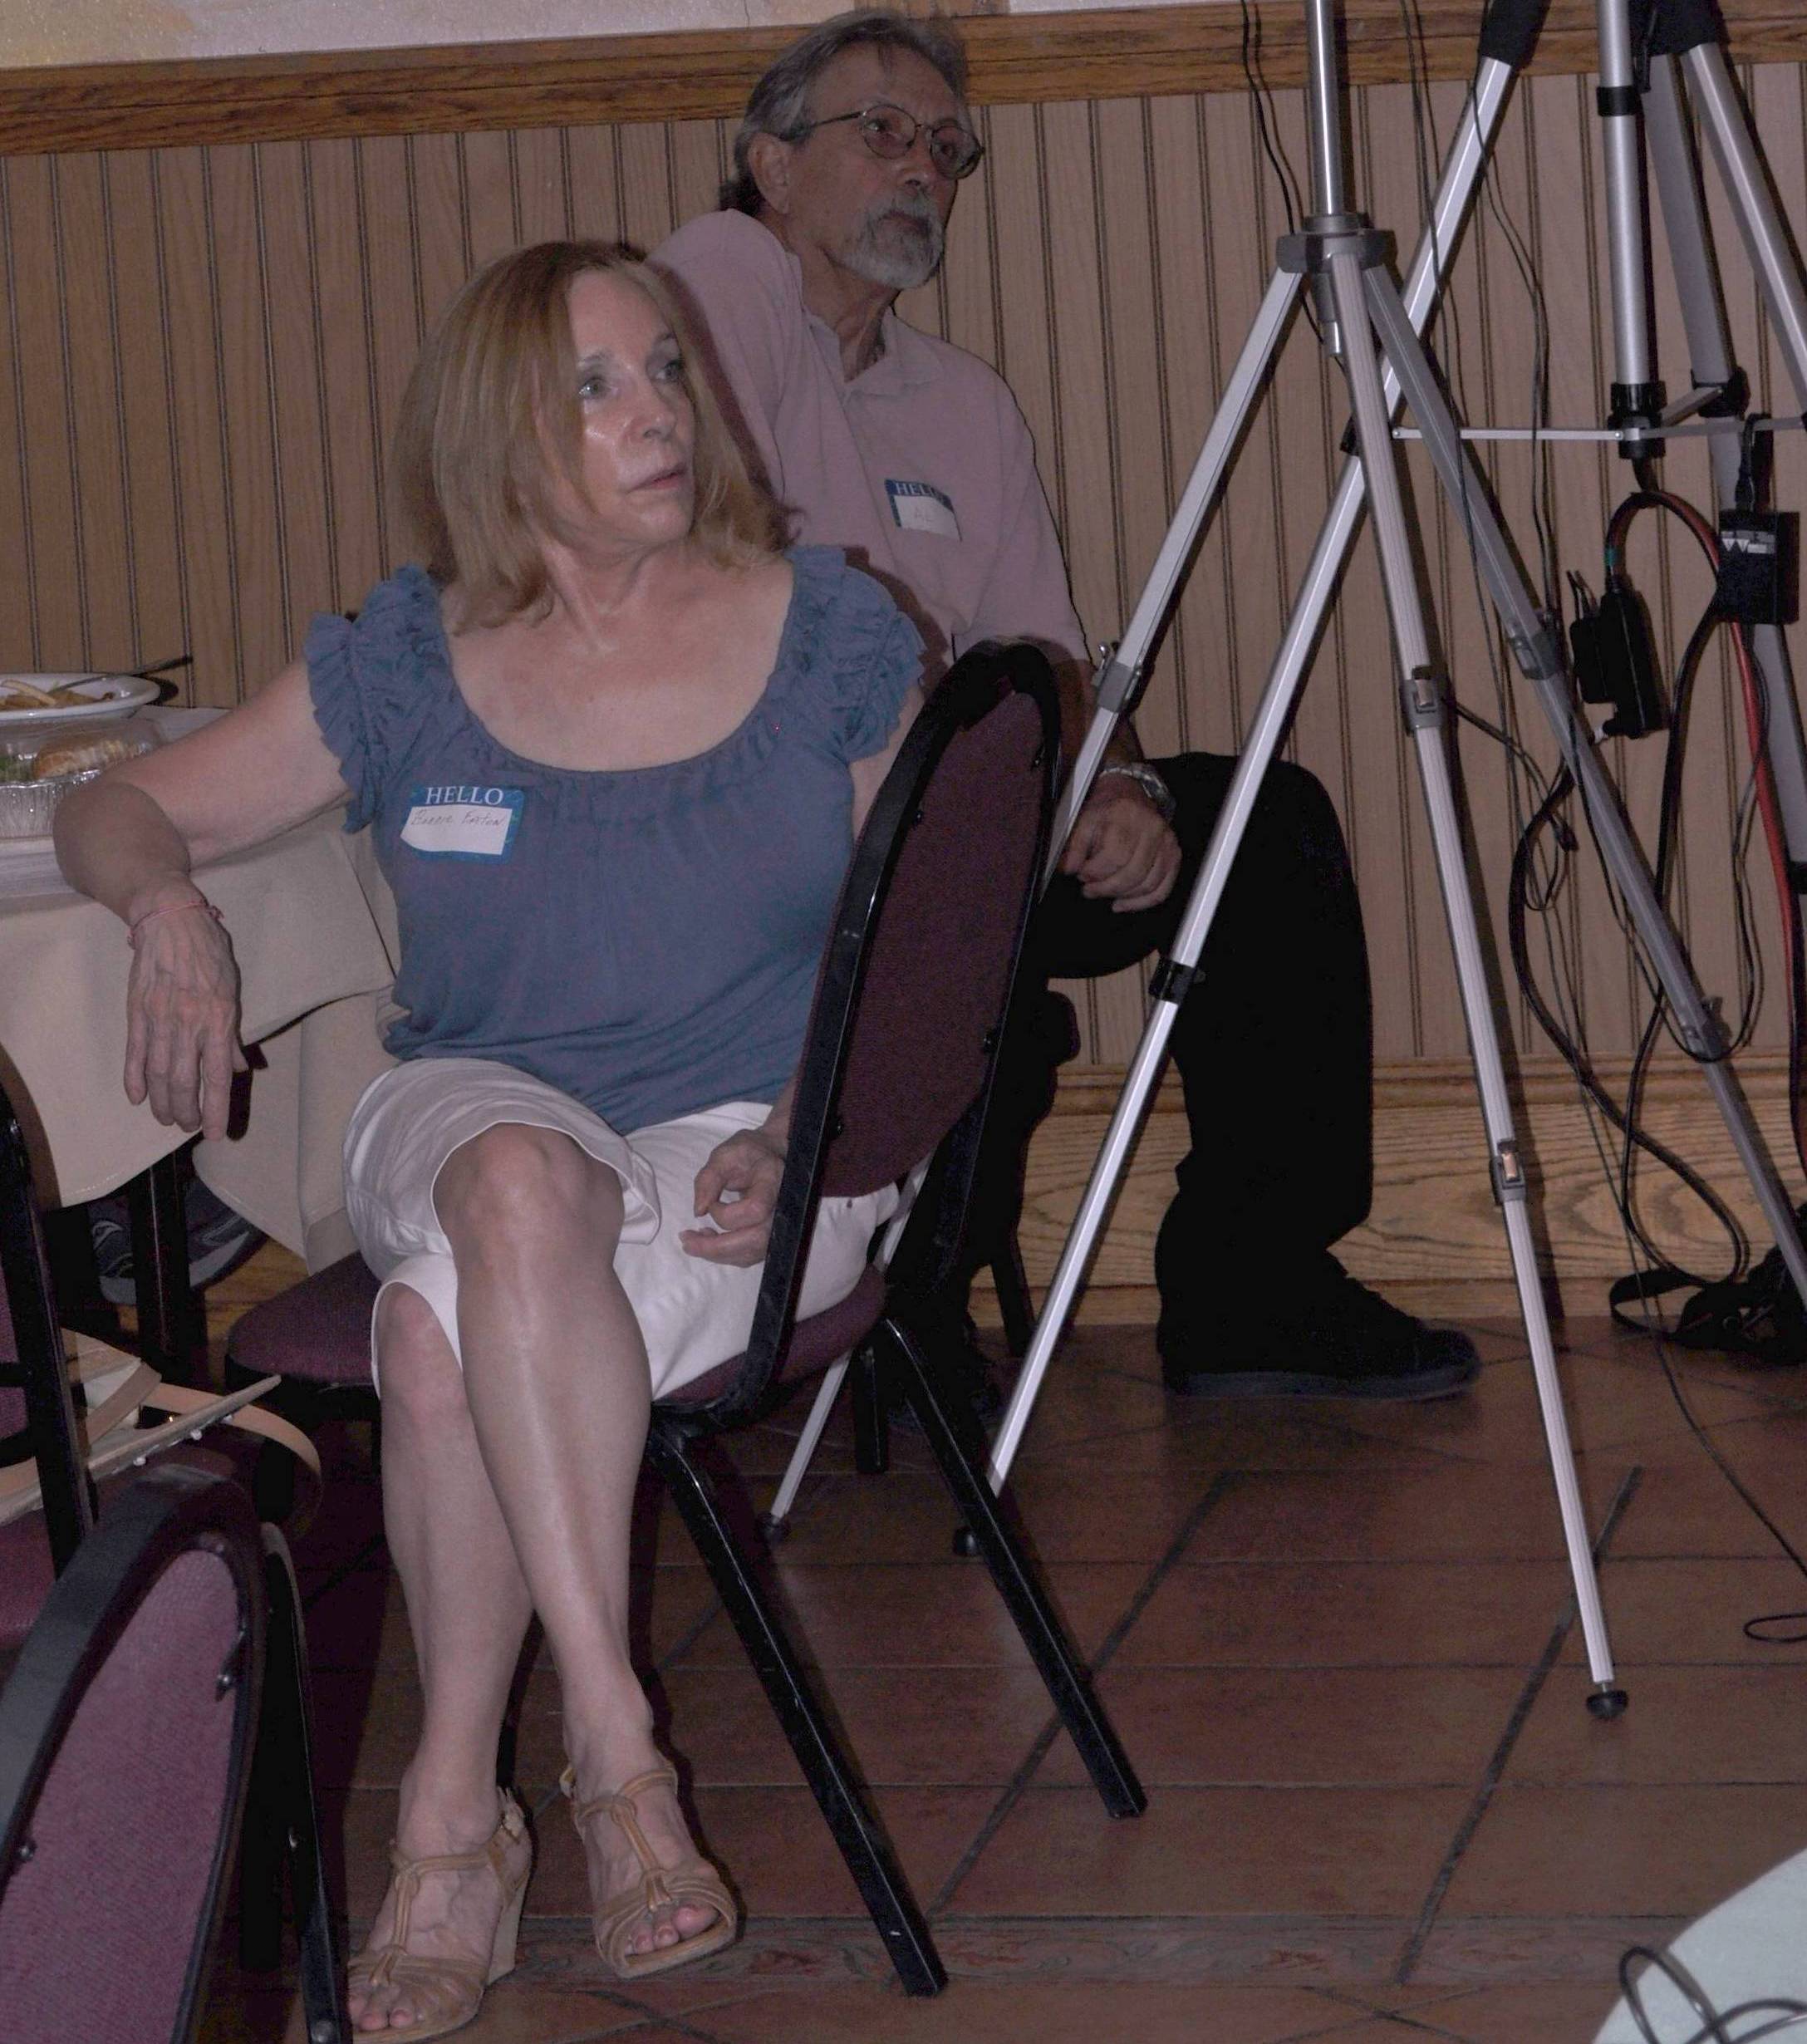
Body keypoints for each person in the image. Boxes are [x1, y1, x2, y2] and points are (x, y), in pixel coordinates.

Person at [56, 241, 924, 2037]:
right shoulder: (409, 664)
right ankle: (616, 1747)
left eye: (665, 368)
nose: (655, 414)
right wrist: (165, 909)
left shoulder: (828, 633)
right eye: (594, 387)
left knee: (436, 1333)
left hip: (755, 1140)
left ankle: (451, 1821)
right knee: (516, 1184)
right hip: (470, 1108)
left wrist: (805, 1123)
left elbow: (922, 941)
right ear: (495, 432)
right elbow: (114, 804)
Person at [652, 8, 1480, 1403]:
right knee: (978, 981)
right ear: (771, 166)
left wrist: (1124, 784)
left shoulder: (966, 405)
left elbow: (1045, 656)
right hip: (781, 854)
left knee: (1262, 825)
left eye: (949, 149)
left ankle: (1250, 1285)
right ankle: (884, 1313)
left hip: (971, 840)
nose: (924, 168)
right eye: (883, 132)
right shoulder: (709, 312)